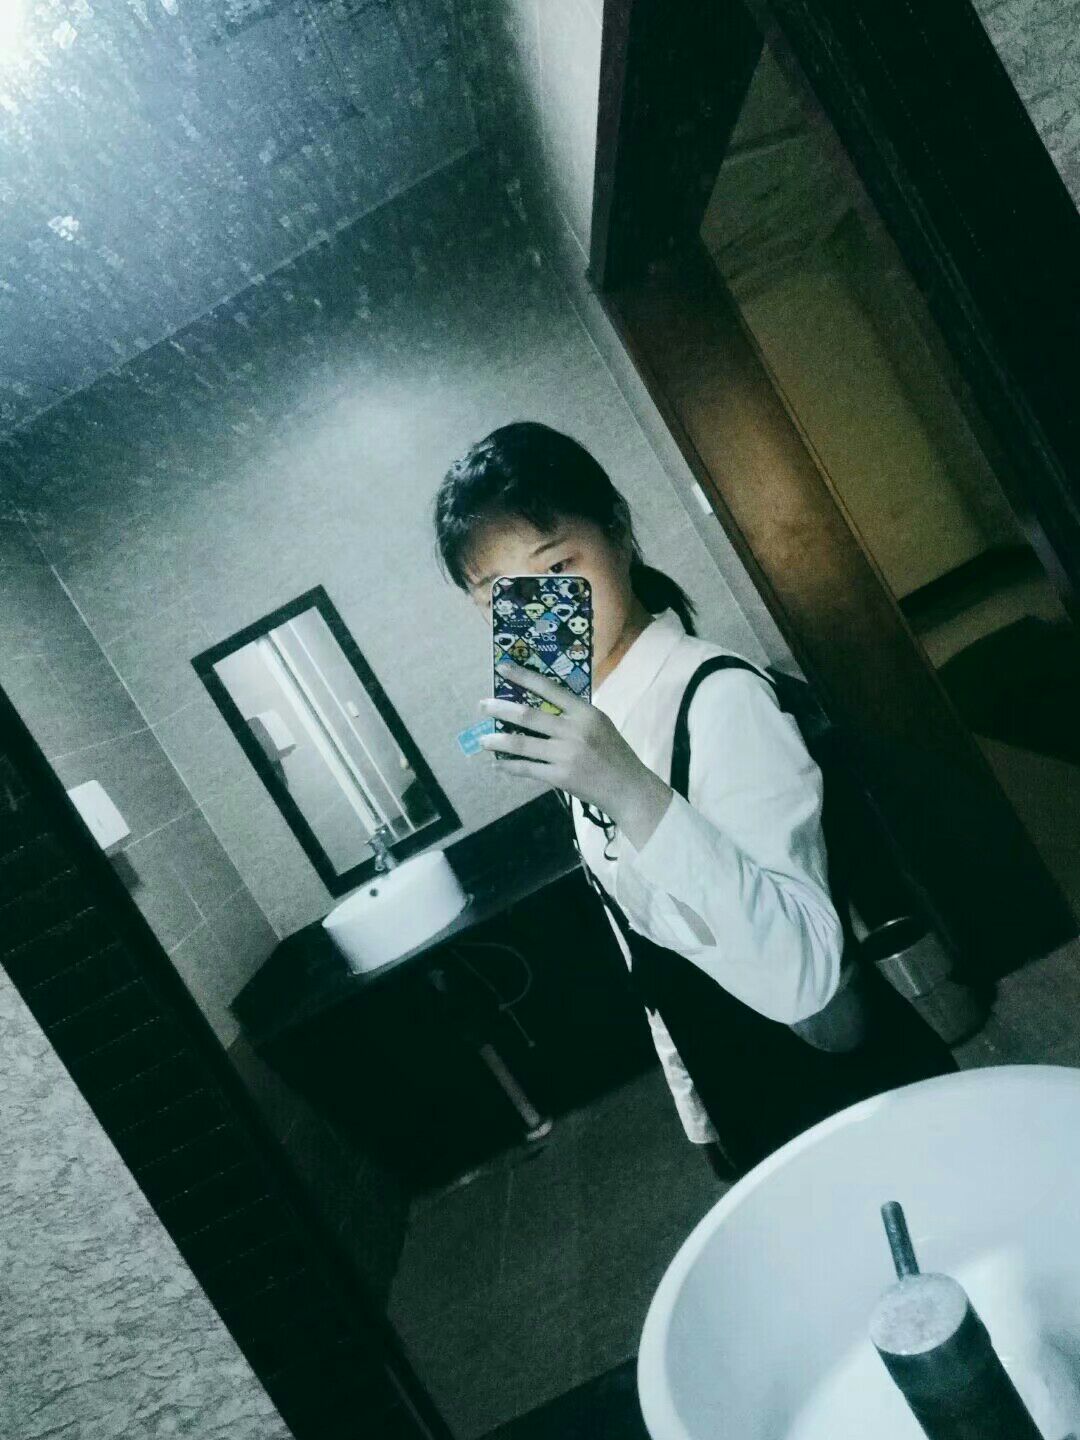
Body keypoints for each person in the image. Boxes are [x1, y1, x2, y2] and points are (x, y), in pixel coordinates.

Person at [432, 420, 957, 1178]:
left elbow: (808, 973)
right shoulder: (586, 727)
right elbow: (645, 948)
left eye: (560, 566)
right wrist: (697, 1108)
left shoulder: (719, 698)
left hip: (852, 1095)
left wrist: (629, 789)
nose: (544, 610)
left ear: (619, 532)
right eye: (501, 596)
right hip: (742, 1096)